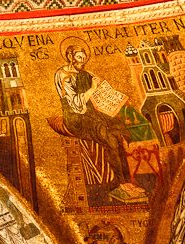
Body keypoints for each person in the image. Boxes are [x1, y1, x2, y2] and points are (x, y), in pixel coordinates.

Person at [54, 39, 155, 196]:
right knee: (109, 138)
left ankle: (128, 181)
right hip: (75, 117)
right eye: (79, 58)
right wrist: (93, 88)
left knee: (119, 130)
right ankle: (120, 182)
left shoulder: (86, 74)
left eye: (83, 58)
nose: (82, 61)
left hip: (91, 113)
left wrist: (111, 96)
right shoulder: (63, 75)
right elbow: (75, 103)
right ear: (70, 57)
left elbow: (100, 92)